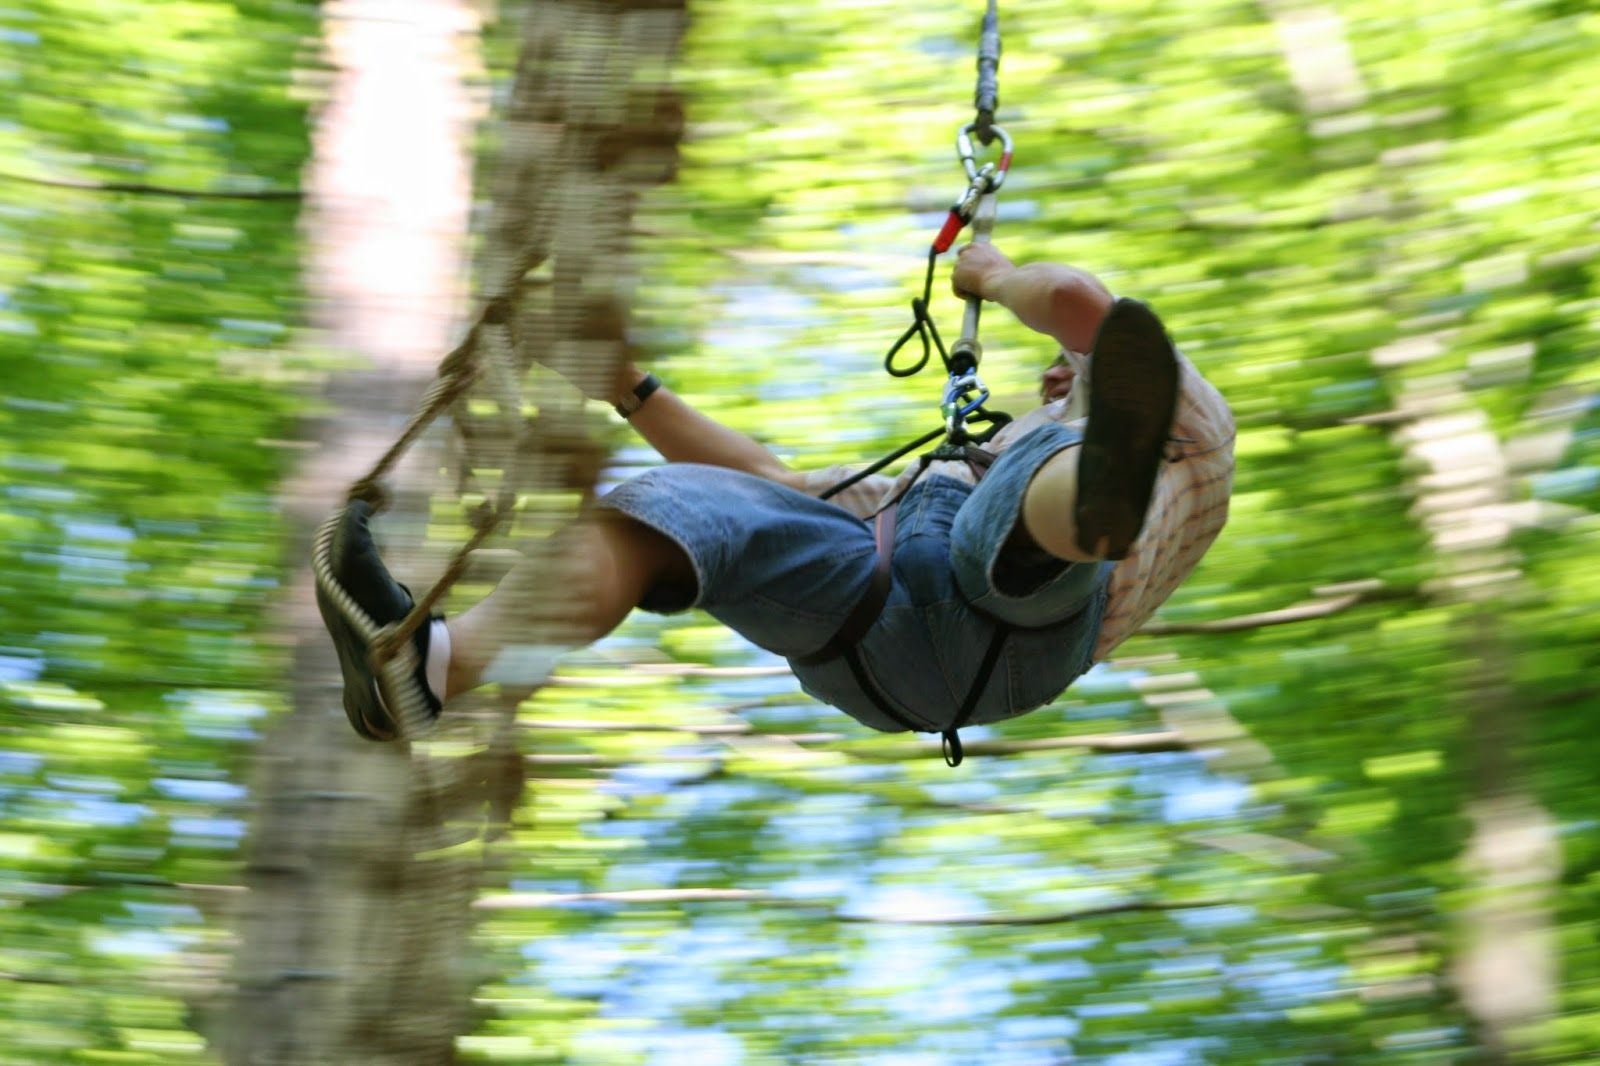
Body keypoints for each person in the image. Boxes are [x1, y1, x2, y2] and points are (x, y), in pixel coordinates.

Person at [318, 243, 1235, 753]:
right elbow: (773, 485)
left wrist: (989, 277)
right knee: (671, 512)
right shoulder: (936, 483)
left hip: (1016, 626)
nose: (1050, 374)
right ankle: (434, 667)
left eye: (1070, 368)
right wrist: (626, 386)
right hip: (883, 623)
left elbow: (1072, 297)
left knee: (1042, 486)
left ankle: (1081, 506)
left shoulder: (1191, 424)